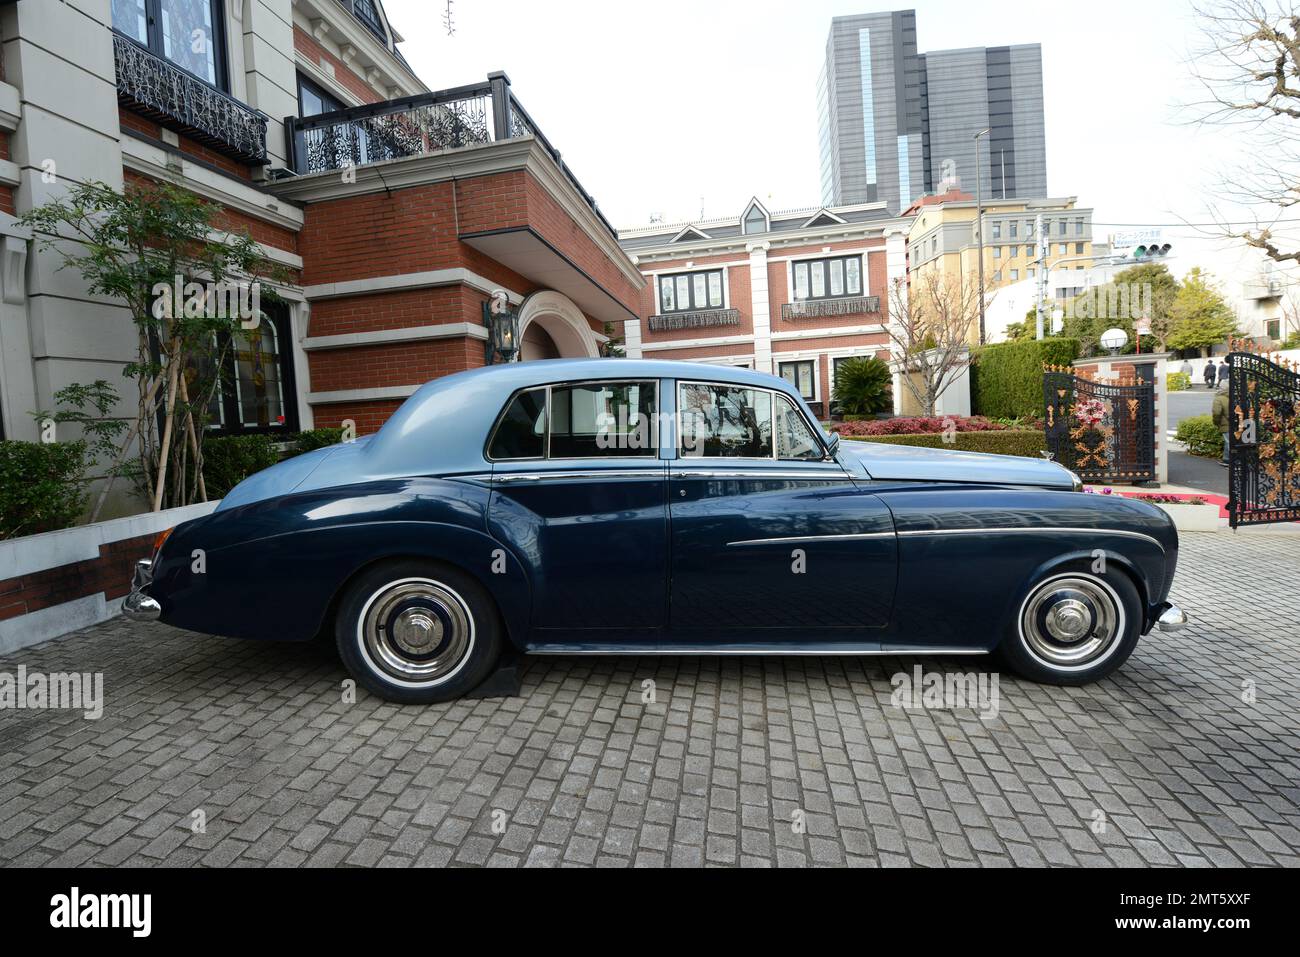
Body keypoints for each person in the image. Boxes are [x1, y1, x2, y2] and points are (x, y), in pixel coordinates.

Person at [1211, 378, 1231, 468]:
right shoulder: (1233, 396)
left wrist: (1216, 422)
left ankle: (1228, 460)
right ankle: (1227, 458)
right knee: (1233, 441)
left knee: (1228, 442)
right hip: (1238, 423)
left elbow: (1216, 413)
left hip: (1225, 424)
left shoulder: (1219, 399)